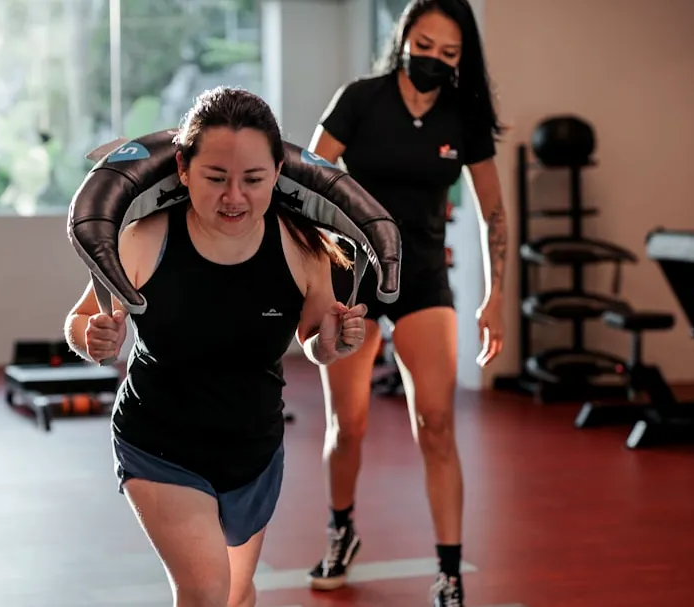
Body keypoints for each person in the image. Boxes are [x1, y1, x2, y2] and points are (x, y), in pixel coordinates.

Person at [63, 86, 370, 607]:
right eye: (215, 178)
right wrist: (94, 340)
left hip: (253, 450)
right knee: (206, 591)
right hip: (160, 444)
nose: (234, 197)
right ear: (183, 168)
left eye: (252, 179)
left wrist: (334, 341)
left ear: (277, 172)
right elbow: (83, 320)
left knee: (237, 594)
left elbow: (314, 343)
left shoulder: (302, 248)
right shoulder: (144, 238)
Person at [303, 1, 509, 605]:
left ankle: (449, 571)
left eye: (450, 54)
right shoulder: (360, 99)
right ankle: (341, 531)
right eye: (425, 46)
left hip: (421, 277)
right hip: (352, 279)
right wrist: (317, 280)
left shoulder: (461, 116)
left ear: (462, 58)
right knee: (350, 424)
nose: (434, 61)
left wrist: (496, 295)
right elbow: (308, 183)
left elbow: (493, 209)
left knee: (438, 424)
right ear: (404, 40)